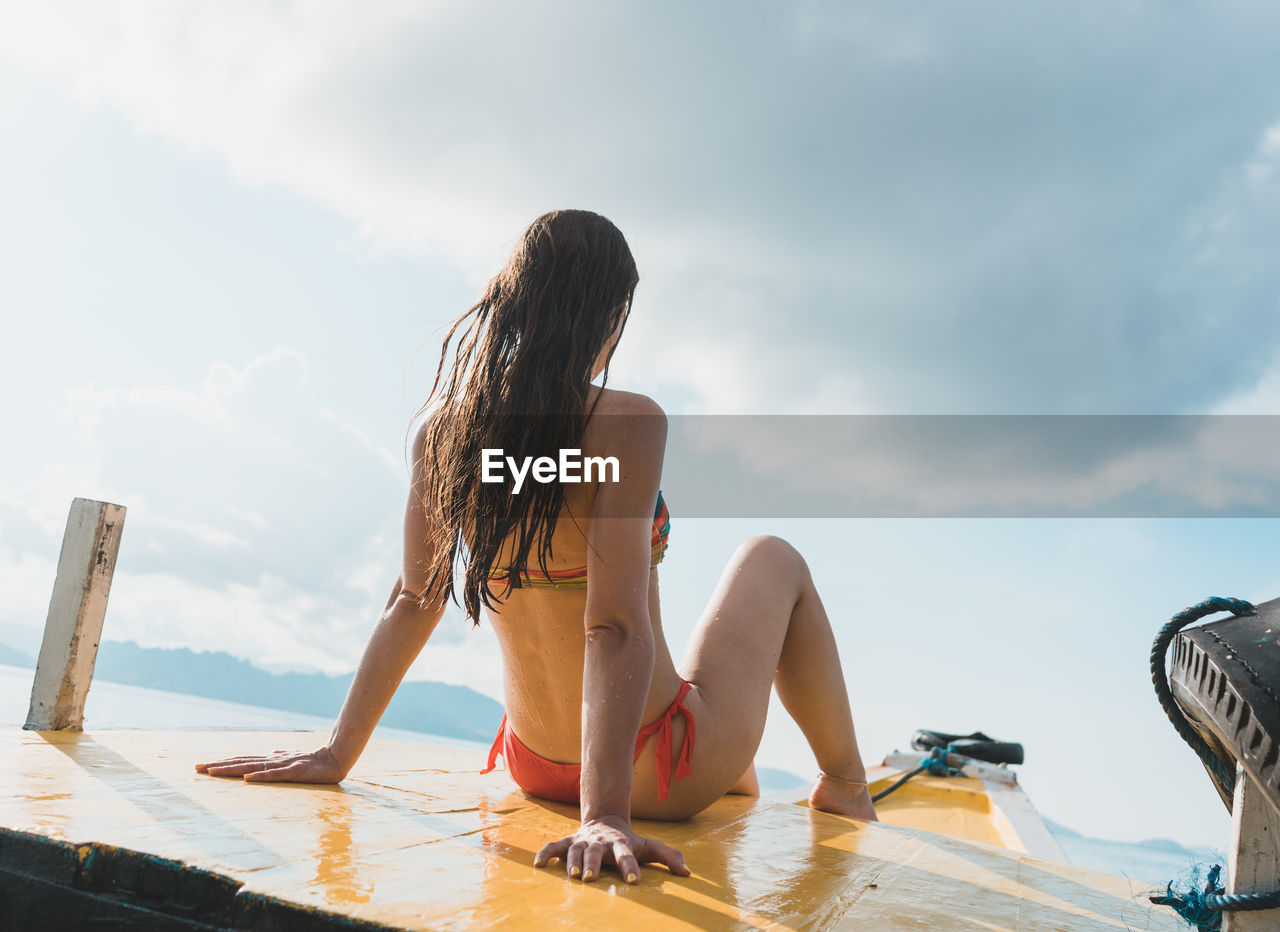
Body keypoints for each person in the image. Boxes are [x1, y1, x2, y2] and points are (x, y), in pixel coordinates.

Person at [196, 209, 877, 885]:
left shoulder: (446, 433)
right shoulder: (628, 423)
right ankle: (844, 783)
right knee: (772, 554)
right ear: (611, 315)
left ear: (513, 302)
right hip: (645, 772)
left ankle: (731, 765)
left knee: (729, 750)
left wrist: (336, 753)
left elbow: (413, 598)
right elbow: (610, 626)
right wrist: (606, 813)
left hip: (531, 763)